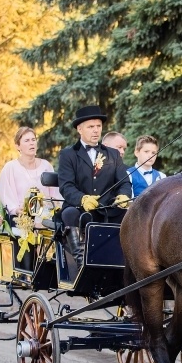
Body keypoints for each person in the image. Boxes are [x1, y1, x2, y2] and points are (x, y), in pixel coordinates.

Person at [57, 105, 131, 266]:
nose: (96, 130)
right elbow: (66, 186)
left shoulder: (113, 154)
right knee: (69, 214)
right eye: (91, 127)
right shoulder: (68, 154)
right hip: (80, 209)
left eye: (98, 126)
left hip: (108, 209)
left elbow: (124, 182)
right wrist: (82, 199)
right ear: (80, 129)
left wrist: (124, 195)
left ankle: (127, 262)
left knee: (131, 215)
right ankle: (81, 261)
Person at [0, 126, 60, 228]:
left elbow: (56, 195)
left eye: (33, 140)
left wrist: (53, 206)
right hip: (20, 220)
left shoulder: (46, 166)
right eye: (27, 140)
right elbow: (5, 197)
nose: (31, 143)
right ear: (18, 146)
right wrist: (16, 210)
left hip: (46, 219)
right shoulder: (10, 168)